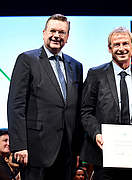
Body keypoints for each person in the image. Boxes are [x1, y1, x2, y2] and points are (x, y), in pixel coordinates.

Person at [7, 14, 83, 180]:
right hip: (36, 150)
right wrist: (19, 145)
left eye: (62, 32)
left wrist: (77, 150)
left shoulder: (76, 66)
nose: (57, 35)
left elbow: (76, 110)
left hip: (67, 152)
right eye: (53, 31)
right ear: (44, 33)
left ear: (67, 37)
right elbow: (16, 105)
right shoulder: (27, 60)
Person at [80, 26, 132, 180]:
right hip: (104, 154)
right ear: (109, 48)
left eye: (125, 44)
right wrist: (96, 134)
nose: (121, 48)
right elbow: (86, 112)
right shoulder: (95, 74)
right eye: (116, 44)